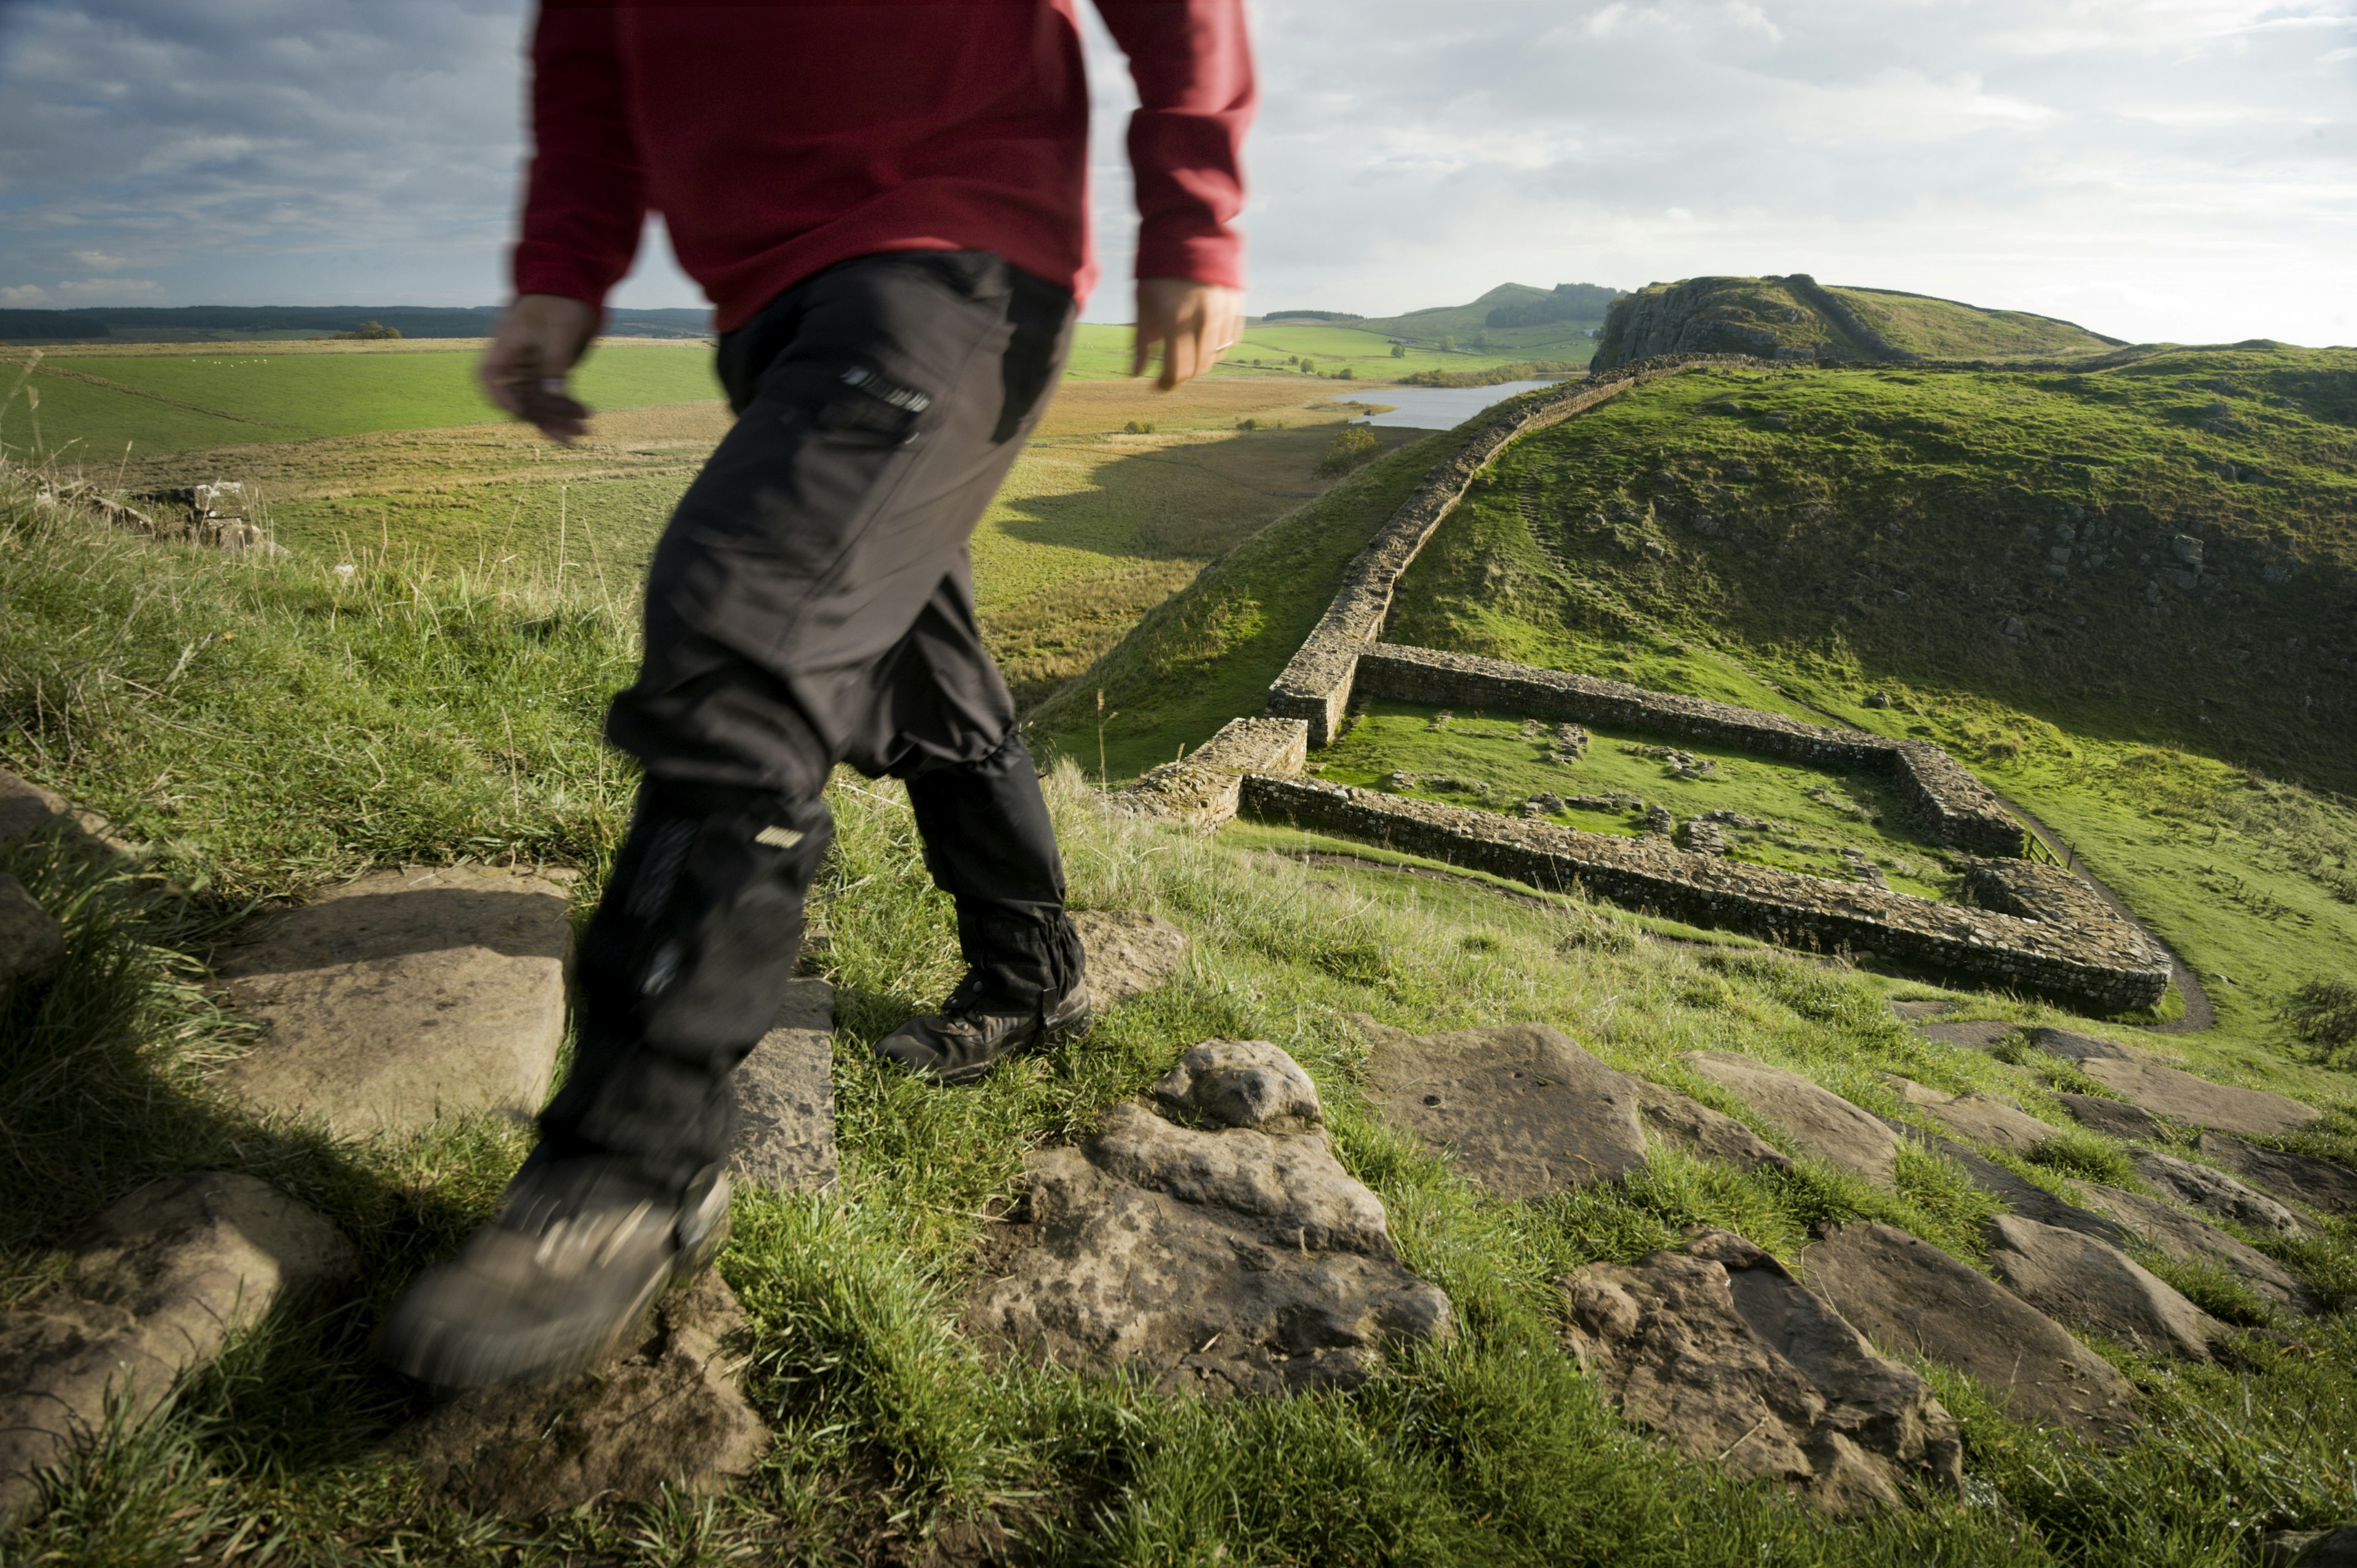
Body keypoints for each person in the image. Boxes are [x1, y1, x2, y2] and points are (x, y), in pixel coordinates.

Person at [382, 0, 1253, 1388]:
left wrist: (1194, 212)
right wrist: (561, 272)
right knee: (923, 666)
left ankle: (636, 1154)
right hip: (778, 305)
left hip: (955, 252)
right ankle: (1032, 978)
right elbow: (592, 88)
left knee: (746, 628)